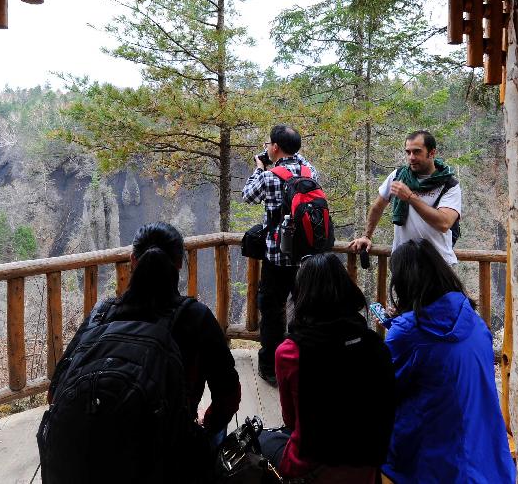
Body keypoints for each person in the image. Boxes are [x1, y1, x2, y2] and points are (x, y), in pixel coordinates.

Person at [40, 222, 240, 483]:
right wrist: (206, 425)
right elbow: (228, 395)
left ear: (132, 260)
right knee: (217, 435)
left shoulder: (101, 315)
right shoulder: (195, 318)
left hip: (80, 459)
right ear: (179, 263)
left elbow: (55, 392)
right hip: (160, 458)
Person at [381, 239, 515, 484]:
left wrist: (399, 329)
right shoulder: (474, 321)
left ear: (403, 282)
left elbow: (382, 388)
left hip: (434, 464)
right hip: (489, 457)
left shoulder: (408, 333)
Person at [259, 253, 395, 484]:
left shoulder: (291, 352)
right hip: (366, 465)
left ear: (301, 296)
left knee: (261, 438)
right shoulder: (376, 347)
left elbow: (291, 420)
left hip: (310, 465)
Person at [242, 124, 319, 385]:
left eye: (268, 144)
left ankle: (271, 368)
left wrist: (259, 167)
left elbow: (248, 197)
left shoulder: (269, 175)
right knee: (304, 309)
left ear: (274, 147)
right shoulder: (310, 170)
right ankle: (303, 361)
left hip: (277, 257)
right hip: (308, 257)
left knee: (272, 312)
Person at [349, 130, 461, 265]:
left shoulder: (448, 184)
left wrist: (410, 197)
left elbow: (444, 223)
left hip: (437, 263)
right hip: (403, 262)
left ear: (432, 153)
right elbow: (377, 207)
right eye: (408, 152)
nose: (411, 157)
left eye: (417, 151)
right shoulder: (398, 175)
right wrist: (366, 236)